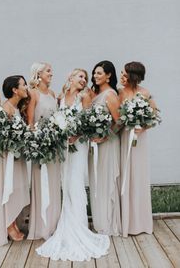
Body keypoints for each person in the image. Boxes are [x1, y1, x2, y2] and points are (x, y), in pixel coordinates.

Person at [36, 69, 110, 261]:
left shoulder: (85, 96)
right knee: (66, 183)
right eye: (80, 76)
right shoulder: (61, 96)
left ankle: (79, 226)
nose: (84, 79)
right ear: (70, 78)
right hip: (64, 146)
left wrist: (75, 135)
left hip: (78, 146)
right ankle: (67, 223)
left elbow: (87, 123)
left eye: (85, 77)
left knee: (75, 182)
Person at [119, 61, 156, 237]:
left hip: (139, 141)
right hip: (124, 138)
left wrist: (144, 127)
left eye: (124, 74)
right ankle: (126, 221)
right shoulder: (120, 92)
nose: (122, 77)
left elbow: (154, 116)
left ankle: (140, 222)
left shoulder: (145, 93)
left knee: (138, 177)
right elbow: (116, 117)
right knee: (126, 175)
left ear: (133, 76)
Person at [27, 62, 61, 240]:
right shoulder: (33, 94)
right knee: (42, 184)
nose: (51, 73)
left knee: (54, 183)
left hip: (54, 147)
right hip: (40, 148)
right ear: (38, 74)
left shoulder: (53, 94)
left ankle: (54, 224)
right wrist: (37, 143)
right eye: (48, 71)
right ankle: (41, 227)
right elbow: (30, 122)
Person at [88, 61, 122, 236]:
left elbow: (119, 121)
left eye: (99, 73)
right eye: (94, 73)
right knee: (97, 180)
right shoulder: (95, 95)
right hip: (95, 144)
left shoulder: (110, 95)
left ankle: (108, 222)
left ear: (109, 75)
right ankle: (99, 220)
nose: (95, 76)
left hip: (107, 144)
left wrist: (105, 136)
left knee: (105, 180)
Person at [0, 75, 30, 245]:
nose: (26, 87)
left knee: (18, 188)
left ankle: (14, 222)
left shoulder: (16, 108)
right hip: (9, 158)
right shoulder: (6, 108)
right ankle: (8, 226)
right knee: (9, 188)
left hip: (18, 157)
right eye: (23, 85)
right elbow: (0, 136)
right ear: (15, 90)